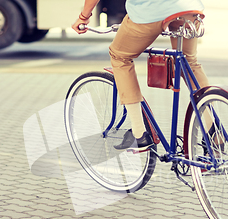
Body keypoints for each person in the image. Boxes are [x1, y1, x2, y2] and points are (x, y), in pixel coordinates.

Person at [72, 0, 209, 151]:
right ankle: (213, 131)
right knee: (188, 62)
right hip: (188, 8)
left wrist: (83, 17)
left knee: (119, 56)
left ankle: (139, 134)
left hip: (150, 10)